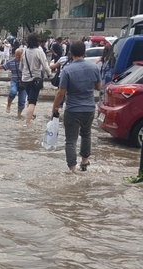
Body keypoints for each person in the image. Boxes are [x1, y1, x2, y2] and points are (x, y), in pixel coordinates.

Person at [51, 41, 101, 172]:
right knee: (86, 134)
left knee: (71, 140)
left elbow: (61, 92)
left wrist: (55, 108)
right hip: (90, 108)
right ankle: (84, 162)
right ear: (84, 52)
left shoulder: (67, 69)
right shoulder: (94, 68)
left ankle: (72, 169)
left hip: (73, 109)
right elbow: (98, 87)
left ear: (71, 53)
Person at [19, 33, 52, 128]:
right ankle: (27, 123)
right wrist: (50, 75)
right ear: (37, 41)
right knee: (33, 102)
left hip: (25, 80)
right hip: (35, 80)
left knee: (29, 99)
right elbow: (45, 65)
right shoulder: (39, 51)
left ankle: (30, 116)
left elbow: (20, 67)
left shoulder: (24, 52)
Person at [0, 48, 27, 117]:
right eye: (16, 55)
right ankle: (8, 105)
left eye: (19, 56)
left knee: (22, 101)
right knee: (13, 92)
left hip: (24, 83)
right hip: (14, 81)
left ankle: (19, 115)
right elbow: (1, 67)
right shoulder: (11, 62)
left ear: (22, 55)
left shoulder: (26, 63)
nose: (17, 57)